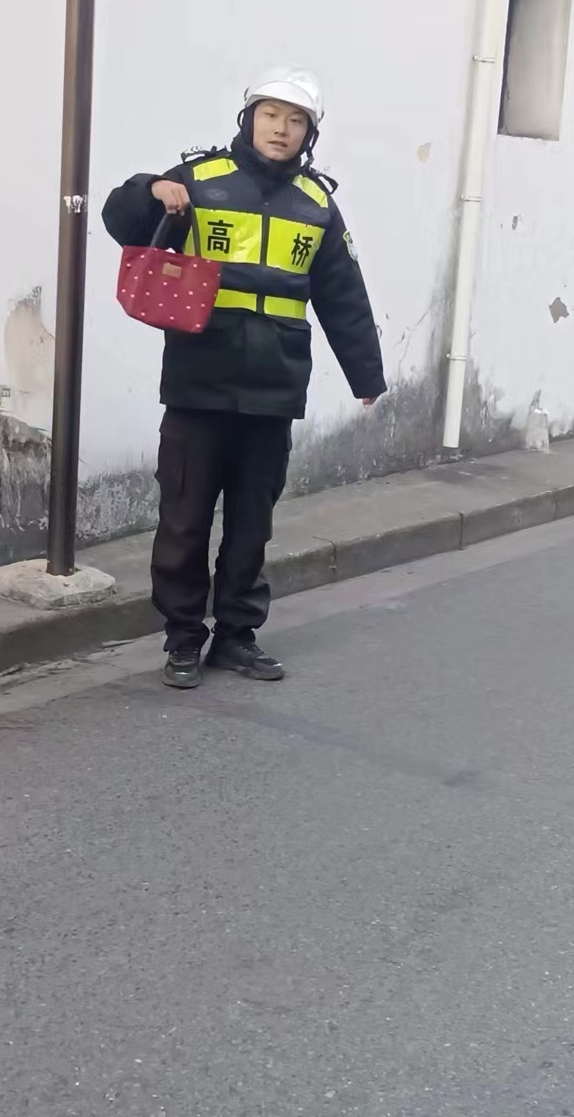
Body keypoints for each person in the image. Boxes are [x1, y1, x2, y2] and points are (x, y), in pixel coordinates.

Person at [103, 67, 387, 689]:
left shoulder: (316, 205)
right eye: (270, 115)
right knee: (184, 519)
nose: (281, 129)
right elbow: (120, 218)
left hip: (272, 389)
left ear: (309, 133)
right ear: (249, 118)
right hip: (198, 380)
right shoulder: (199, 181)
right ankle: (183, 637)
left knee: (251, 524)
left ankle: (236, 635)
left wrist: (366, 373)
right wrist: (151, 189)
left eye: (295, 120)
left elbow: (343, 294)